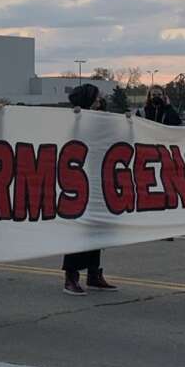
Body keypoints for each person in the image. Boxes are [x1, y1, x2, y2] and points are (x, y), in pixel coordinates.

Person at [62, 83, 117, 296]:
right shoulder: (74, 119)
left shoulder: (101, 118)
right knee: (78, 229)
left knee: (97, 228)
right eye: (95, 97)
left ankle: (94, 273)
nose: (99, 101)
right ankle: (71, 276)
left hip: (98, 179)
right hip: (78, 181)